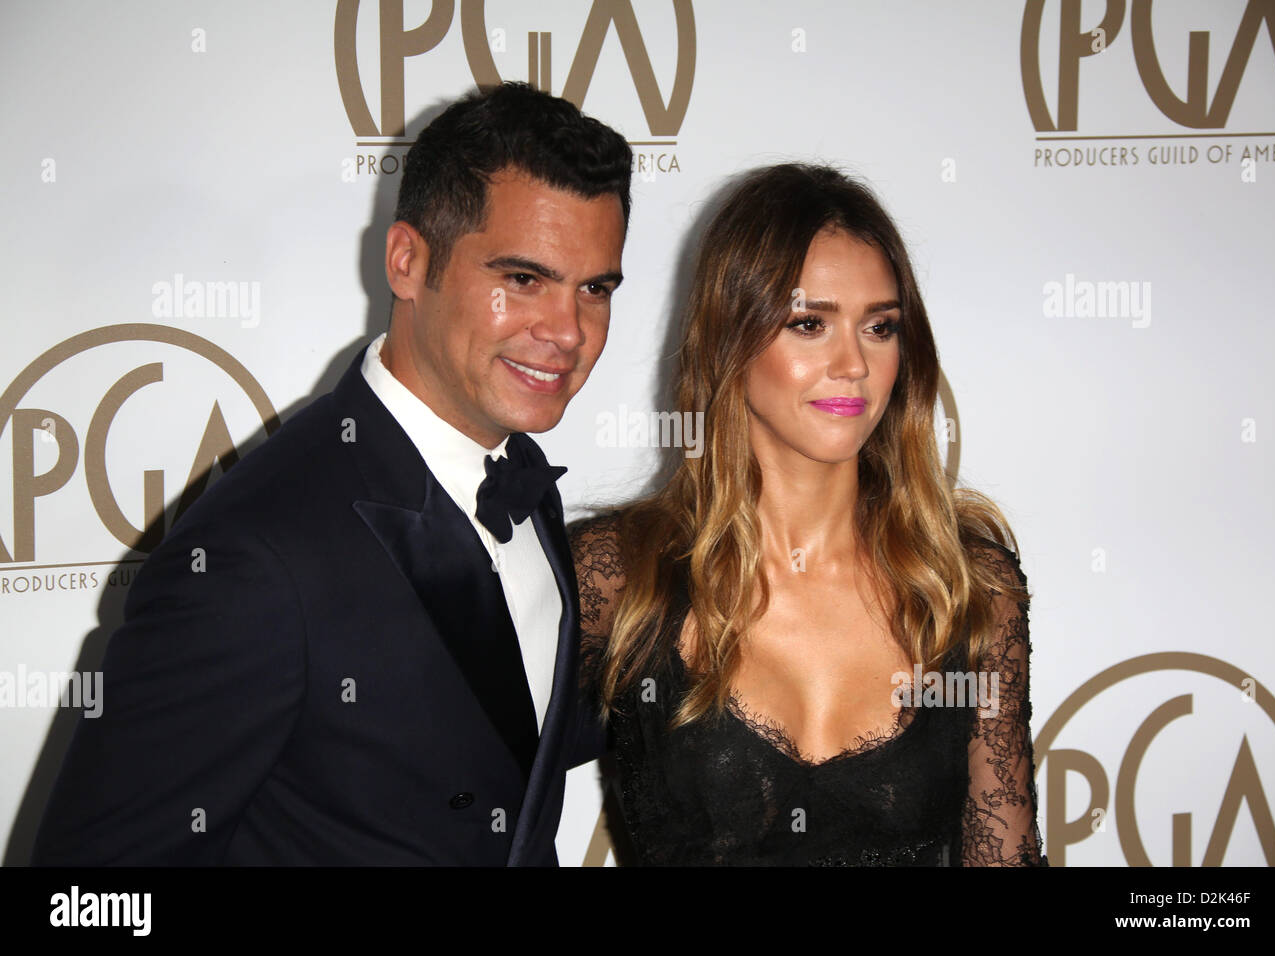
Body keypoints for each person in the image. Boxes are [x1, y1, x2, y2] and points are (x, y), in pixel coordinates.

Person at [32, 82, 632, 865]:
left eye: (595, 288)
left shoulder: (520, 479)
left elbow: (496, 758)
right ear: (408, 261)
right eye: (523, 279)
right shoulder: (256, 557)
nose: (566, 330)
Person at [570, 163, 1048, 866]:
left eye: (880, 327)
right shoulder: (616, 575)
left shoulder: (966, 582)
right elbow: (466, 799)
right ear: (730, 336)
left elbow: (1002, 854)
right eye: (809, 323)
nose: (852, 363)